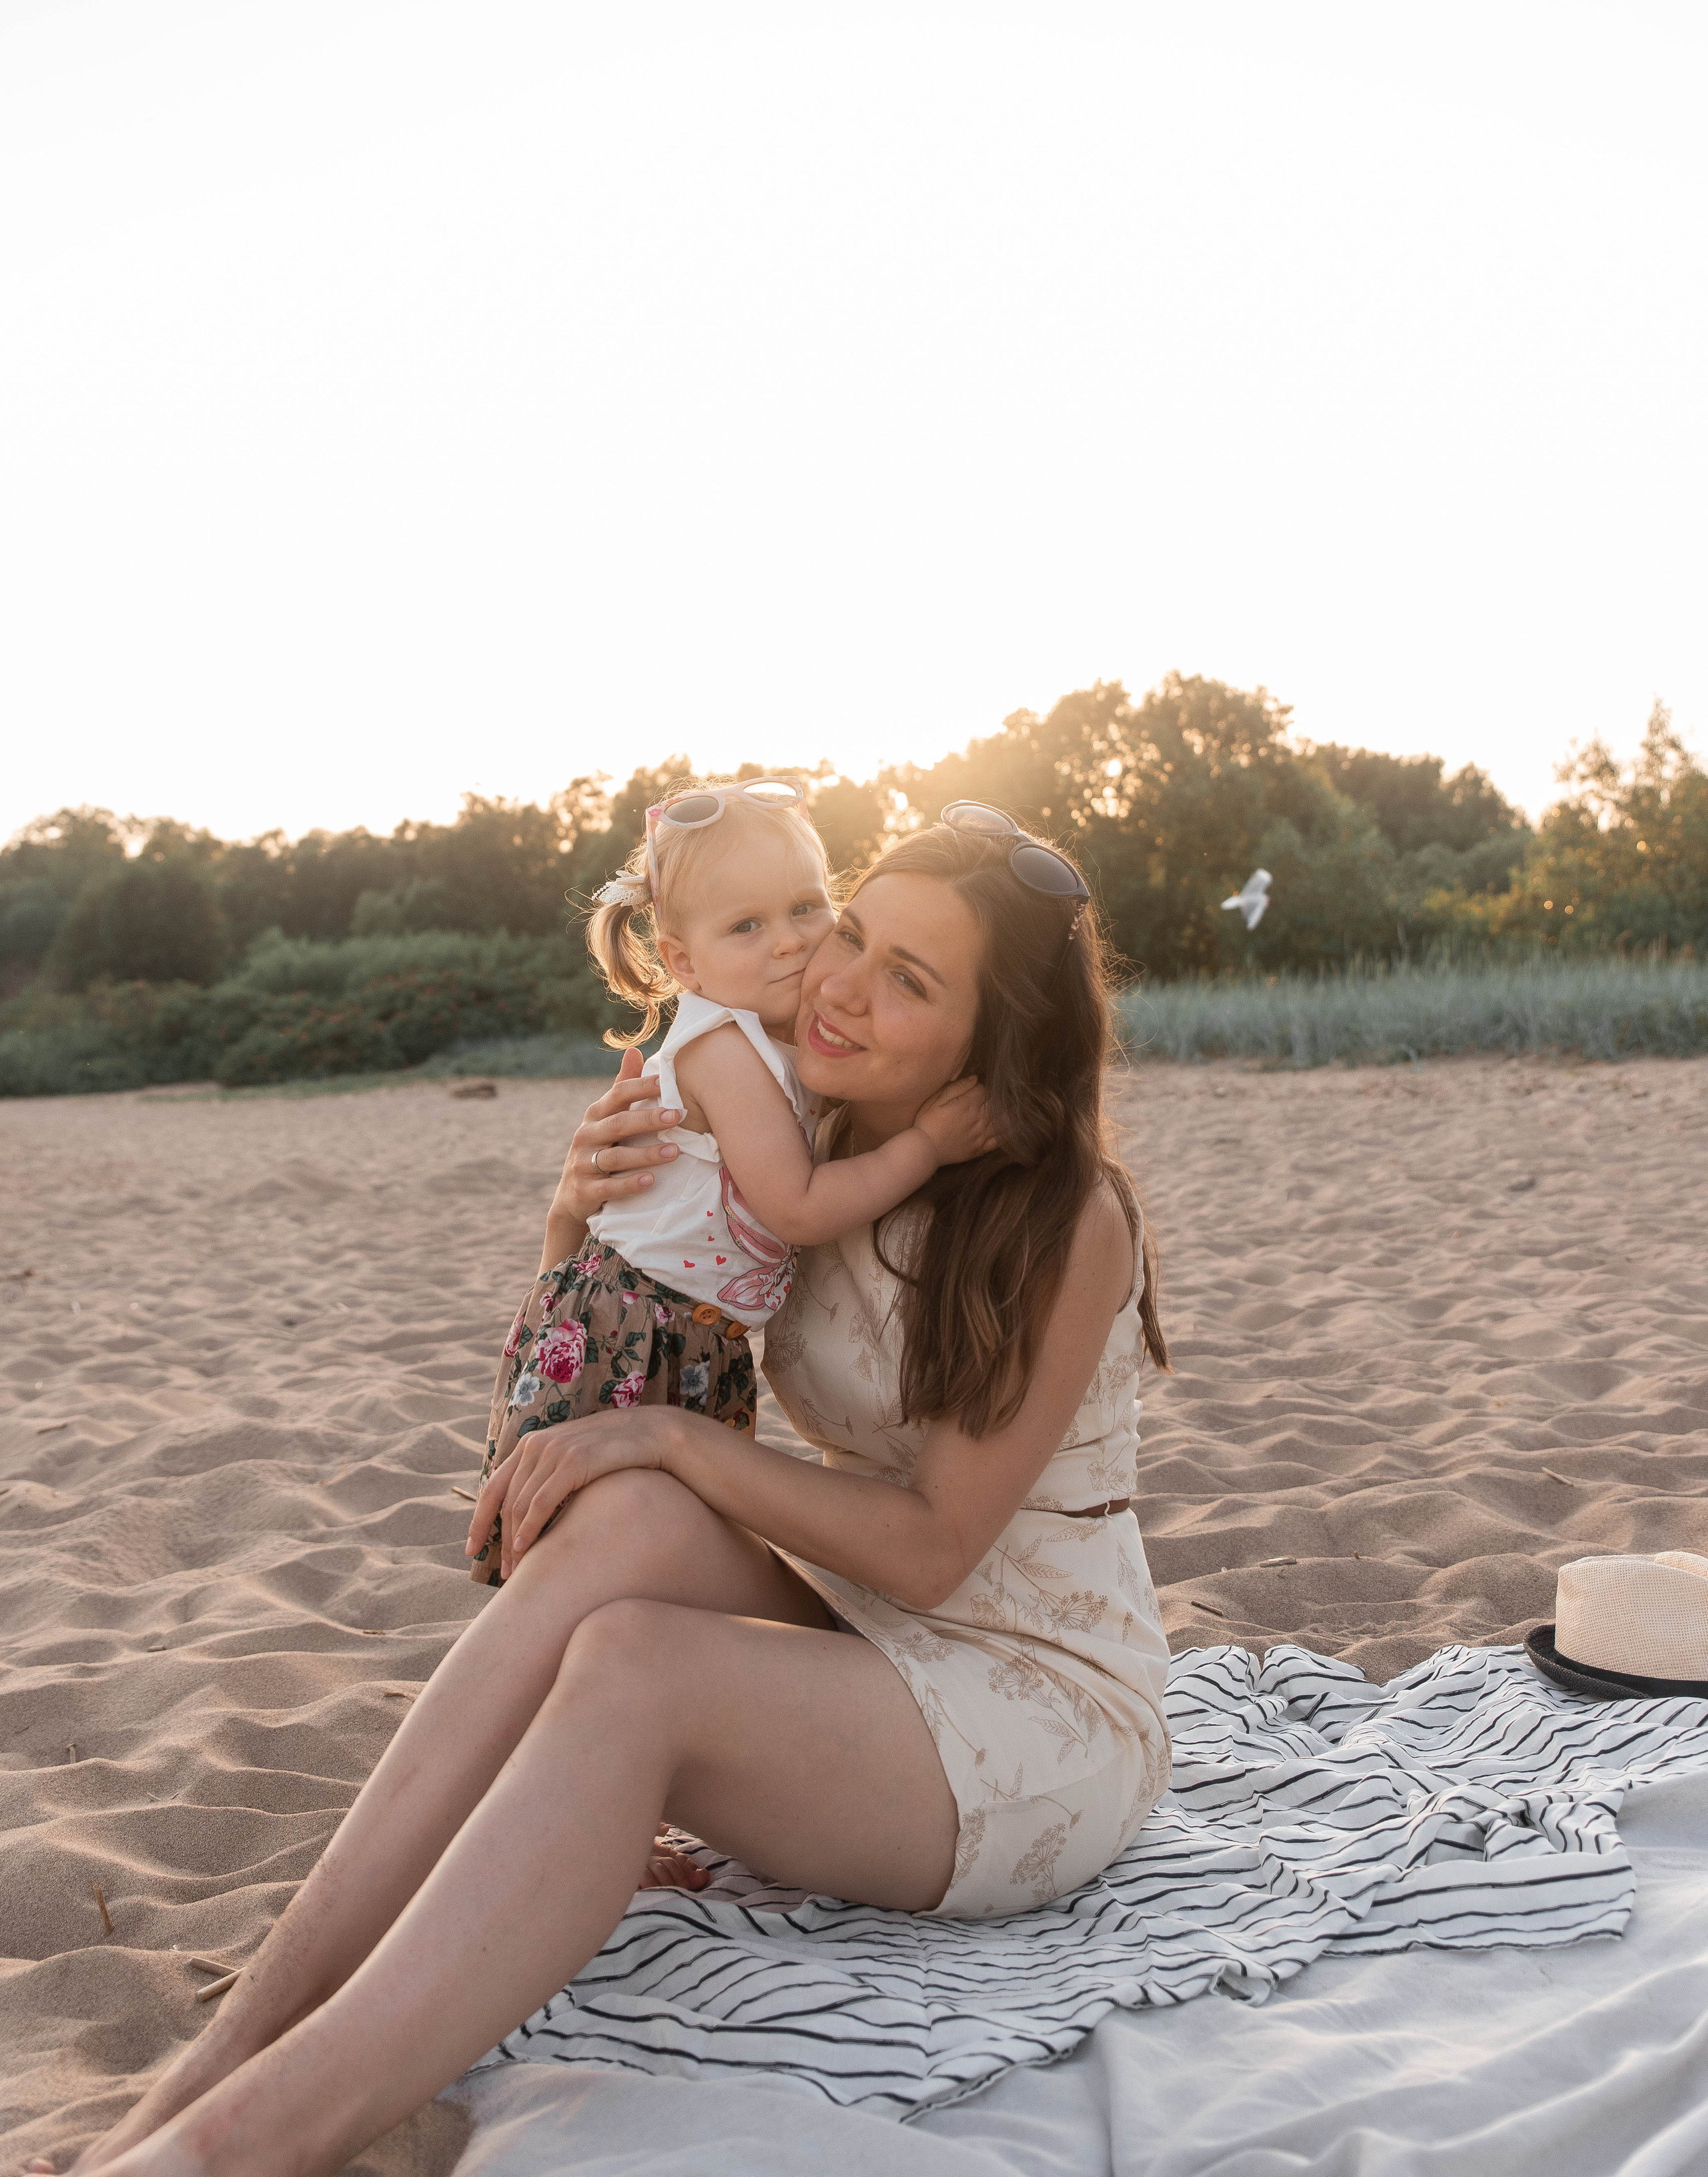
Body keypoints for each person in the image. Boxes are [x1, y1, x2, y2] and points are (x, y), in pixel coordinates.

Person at [57, 808, 1172, 2177]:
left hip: (1027, 1693)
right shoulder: (792, 1122)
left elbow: (937, 1549)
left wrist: (677, 1440)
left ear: (993, 1042)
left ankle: (232, 2146)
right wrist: (572, 1219)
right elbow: (651, 1292)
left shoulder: (1064, 1216)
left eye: (909, 979)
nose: (836, 978)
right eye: (852, 931)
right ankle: (222, 2052)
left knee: (636, 1655)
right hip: (863, 1631)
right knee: (625, 1519)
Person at [470, 775, 994, 1583]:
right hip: (633, 1327)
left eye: (806, 908)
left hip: (693, 1335)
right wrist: (925, 1143)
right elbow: (799, 1206)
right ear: (684, 960)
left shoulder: (773, 1041)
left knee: (654, 1559)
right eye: (746, 925)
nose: (787, 941)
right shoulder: (722, 1047)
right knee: (581, 1550)